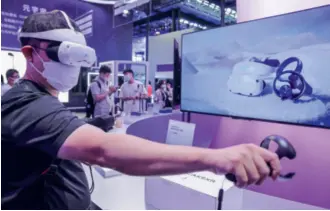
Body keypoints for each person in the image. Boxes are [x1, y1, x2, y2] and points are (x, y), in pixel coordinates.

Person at [1, 11, 281, 210]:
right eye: (64, 56)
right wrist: (219, 158)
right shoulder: (24, 103)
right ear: (29, 54)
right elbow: (103, 151)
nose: (73, 67)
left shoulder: (41, 100)